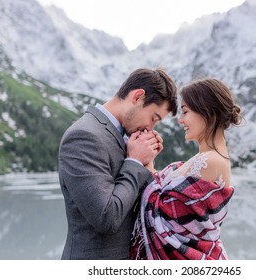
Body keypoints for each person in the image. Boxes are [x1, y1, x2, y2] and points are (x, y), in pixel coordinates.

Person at [58, 67, 178, 259]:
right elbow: (107, 217)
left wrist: (147, 164)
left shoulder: (127, 137)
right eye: (153, 118)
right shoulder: (83, 136)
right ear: (137, 97)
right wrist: (135, 161)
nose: (151, 127)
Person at [131, 78, 242, 260]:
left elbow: (166, 216)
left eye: (185, 112)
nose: (181, 120)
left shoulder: (211, 161)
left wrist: (146, 162)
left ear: (206, 111)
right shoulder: (204, 158)